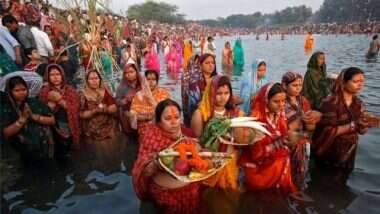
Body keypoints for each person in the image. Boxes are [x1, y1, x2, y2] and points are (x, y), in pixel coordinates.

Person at [132, 99, 201, 214]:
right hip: (165, 194)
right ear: (159, 122)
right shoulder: (151, 137)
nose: (174, 122)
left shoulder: (184, 134)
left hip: (190, 190)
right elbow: (143, 170)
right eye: (168, 119)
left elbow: (196, 149)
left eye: (177, 117)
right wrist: (157, 163)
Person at [312, 67, 369, 179]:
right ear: (343, 82)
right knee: (325, 180)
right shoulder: (330, 103)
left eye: (362, 82)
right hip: (329, 149)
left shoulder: (358, 103)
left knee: (343, 178)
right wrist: (352, 126)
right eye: (355, 81)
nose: (360, 85)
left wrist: (363, 127)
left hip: (349, 149)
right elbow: (325, 130)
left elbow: (361, 129)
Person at [239, 83, 297, 193]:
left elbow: (284, 133)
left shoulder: (279, 115)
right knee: (281, 160)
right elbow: (256, 154)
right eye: (276, 101)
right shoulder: (256, 118)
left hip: (272, 159)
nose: (281, 105)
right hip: (257, 166)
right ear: (266, 100)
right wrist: (281, 142)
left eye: (283, 101)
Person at [191, 75, 241, 191]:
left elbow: (241, 142)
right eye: (219, 93)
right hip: (209, 164)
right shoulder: (200, 115)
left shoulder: (235, 113)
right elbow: (196, 142)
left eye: (226, 93)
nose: (223, 97)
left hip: (230, 163)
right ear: (211, 93)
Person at [0, 76, 55, 161]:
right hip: (19, 151)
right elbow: (5, 133)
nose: (21, 93)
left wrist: (33, 117)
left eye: (23, 89)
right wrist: (22, 119)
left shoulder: (33, 102)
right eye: (17, 90)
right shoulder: (5, 108)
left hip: (43, 147)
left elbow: (52, 120)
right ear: (10, 92)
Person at [281, 71, 321, 188]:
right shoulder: (280, 102)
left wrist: (311, 120)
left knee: (300, 173)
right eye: (294, 85)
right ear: (284, 85)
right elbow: (281, 126)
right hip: (287, 143)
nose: (298, 88)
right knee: (286, 173)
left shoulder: (303, 101)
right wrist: (299, 119)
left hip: (302, 142)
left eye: (300, 85)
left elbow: (310, 128)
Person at [39, 64, 80, 157]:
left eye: (58, 74)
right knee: (59, 149)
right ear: (48, 77)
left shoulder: (70, 90)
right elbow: (42, 110)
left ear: (62, 75)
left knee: (70, 145)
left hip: (69, 122)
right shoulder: (44, 92)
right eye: (52, 75)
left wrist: (59, 100)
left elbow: (75, 107)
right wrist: (50, 106)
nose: (55, 77)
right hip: (53, 125)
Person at [79, 70, 118, 142]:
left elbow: (114, 108)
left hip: (109, 126)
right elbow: (81, 114)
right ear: (87, 81)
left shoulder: (106, 91)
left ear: (100, 79)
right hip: (92, 130)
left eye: (96, 78)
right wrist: (94, 111)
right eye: (91, 79)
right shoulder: (83, 94)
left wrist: (105, 109)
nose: (94, 81)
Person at [181, 53, 217, 126]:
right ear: (200, 65)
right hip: (199, 118)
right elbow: (193, 106)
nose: (211, 65)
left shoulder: (217, 79)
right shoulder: (195, 83)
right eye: (207, 63)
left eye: (213, 63)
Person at [116, 61, 142, 135]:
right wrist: (125, 100)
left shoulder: (142, 85)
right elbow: (117, 102)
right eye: (126, 73)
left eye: (131, 72)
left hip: (141, 113)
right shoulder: (121, 87)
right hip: (127, 114)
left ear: (136, 72)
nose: (129, 74)